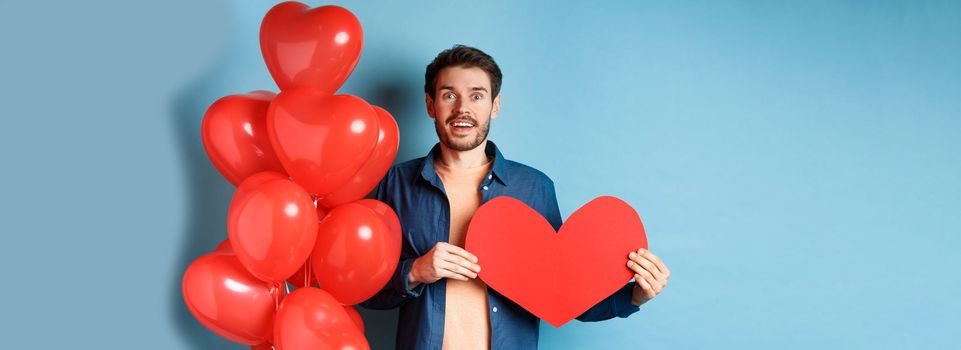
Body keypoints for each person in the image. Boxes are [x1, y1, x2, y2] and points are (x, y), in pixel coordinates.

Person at [361, 45, 670, 350]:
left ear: (495, 105)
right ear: (431, 105)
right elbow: (369, 291)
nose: (462, 109)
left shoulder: (534, 188)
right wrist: (415, 271)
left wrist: (634, 296)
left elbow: (564, 294)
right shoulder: (397, 183)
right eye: (449, 95)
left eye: (477, 95)